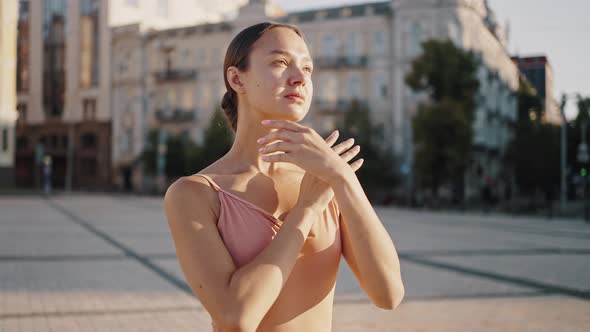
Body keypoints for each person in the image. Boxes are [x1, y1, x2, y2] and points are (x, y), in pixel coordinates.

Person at [163, 22, 404, 332]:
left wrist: (344, 178)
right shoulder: (194, 194)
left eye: (308, 68)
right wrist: (306, 210)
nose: (300, 78)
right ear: (237, 79)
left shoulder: (327, 180)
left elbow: (388, 294)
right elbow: (236, 317)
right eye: (280, 62)